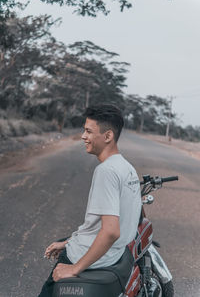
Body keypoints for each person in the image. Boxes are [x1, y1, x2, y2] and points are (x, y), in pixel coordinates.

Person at [38, 104, 142, 297]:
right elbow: (99, 227)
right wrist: (68, 242)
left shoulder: (106, 171)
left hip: (91, 259)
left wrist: (74, 268)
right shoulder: (127, 168)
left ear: (108, 136)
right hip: (113, 255)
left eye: (88, 131)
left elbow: (110, 231)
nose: (83, 136)